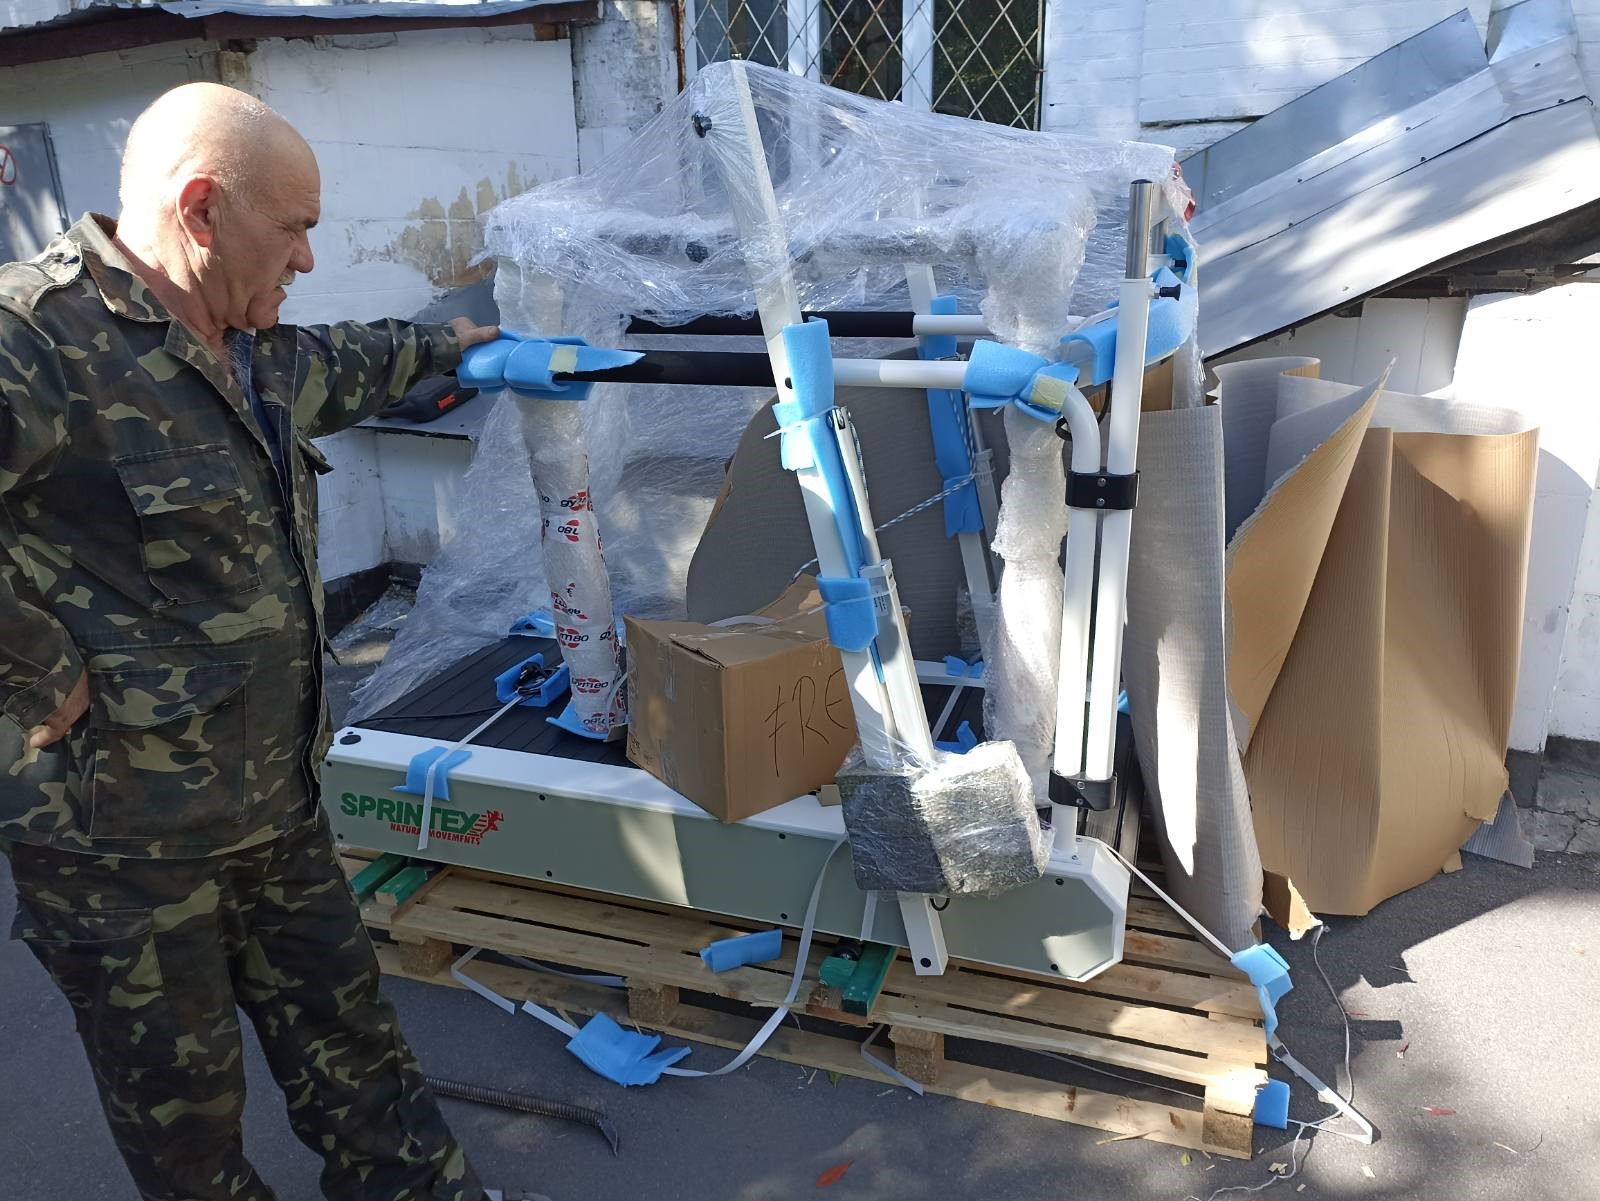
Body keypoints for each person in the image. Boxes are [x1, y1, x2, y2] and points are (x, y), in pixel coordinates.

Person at [0, 83, 515, 1201]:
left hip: (271, 808)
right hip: (123, 850)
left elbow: (350, 358)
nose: (308, 260)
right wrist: (32, 669)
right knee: (192, 1141)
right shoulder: (33, 343)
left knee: (364, 1065)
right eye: (295, 228)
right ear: (200, 211)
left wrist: (452, 343)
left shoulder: (250, 345)